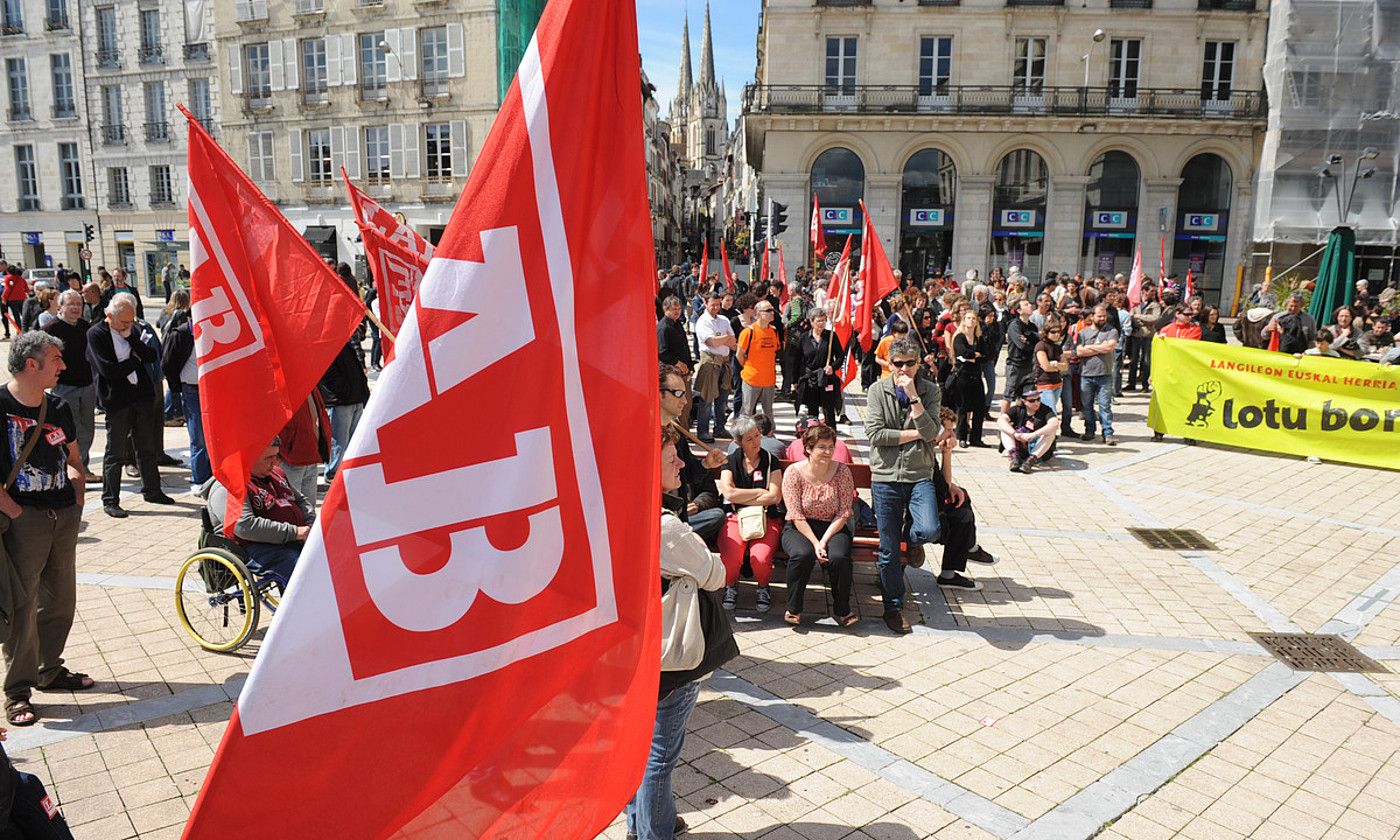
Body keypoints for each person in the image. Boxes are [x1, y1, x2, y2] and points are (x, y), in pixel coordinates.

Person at [627, 426, 734, 840]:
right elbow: (715, 574)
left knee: (637, 753)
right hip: (670, 656)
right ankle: (655, 834)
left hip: (635, 650)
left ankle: (640, 827)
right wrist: (702, 555)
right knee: (658, 759)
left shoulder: (620, 508)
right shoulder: (664, 526)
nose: (680, 463)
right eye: (672, 457)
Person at [0, 332, 92, 727]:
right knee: (22, 604)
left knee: (59, 599)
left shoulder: (59, 406)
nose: (63, 365)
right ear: (32, 364)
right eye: (55, 358)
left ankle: (48, 669)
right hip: (24, 520)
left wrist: (77, 484)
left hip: (63, 516)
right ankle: (17, 691)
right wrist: (16, 513)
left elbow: (72, 456)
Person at [864, 337, 943, 635]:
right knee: (888, 550)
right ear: (890, 364)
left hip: (918, 474)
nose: (905, 369)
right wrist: (913, 434)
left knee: (929, 529)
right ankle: (893, 607)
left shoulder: (930, 390)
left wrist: (913, 397)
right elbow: (875, 434)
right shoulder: (877, 390)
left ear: (918, 363)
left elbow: (932, 432)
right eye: (899, 364)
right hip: (885, 477)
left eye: (911, 363)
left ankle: (912, 543)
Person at [86, 293, 174, 517]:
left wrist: (132, 340)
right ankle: (110, 500)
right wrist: (135, 359)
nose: (128, 325)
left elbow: (152, 355)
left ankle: (153, 490)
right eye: (124, 322)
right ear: (109, 316)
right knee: (115, 453)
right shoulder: (96, 334)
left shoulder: (132, 331)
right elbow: (109, 371)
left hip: (141, 397)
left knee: (146, 448)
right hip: (117, 401)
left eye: (131, 321)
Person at [204, 438, 312, 588]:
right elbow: (245, 526)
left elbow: (301, 501)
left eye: (277, 456)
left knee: (328, 557)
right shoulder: (227, 487)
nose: (276, 462)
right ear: (249, 457)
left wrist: (310, 521)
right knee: (301, 567)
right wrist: (293, 532)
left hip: (290, 537)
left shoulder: (277, 474)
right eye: (269, 458)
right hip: (255, 547)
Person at [780, 422, 856, 627]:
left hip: (833, 526)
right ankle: (793, 608)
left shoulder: (842, 472)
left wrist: (824, 541)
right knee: (802, 554)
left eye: (831, 447)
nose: (828, 451)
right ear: (808, 448)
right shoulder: (793, 473)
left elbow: (844, 511)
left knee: (839, 557)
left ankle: (842, 610)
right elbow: (794, 513)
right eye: (822, 447)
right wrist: (815, 544)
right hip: (800, 527)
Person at [716, 416, 783, 613]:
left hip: (766, 517)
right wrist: (759, 493)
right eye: (749, 439)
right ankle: (731, 586)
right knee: (731, 557)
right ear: (738, 442)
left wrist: (742, 495)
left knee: (760, 558)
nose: (756, 442)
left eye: (757, 436)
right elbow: (728, 493)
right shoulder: (730, 461)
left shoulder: (771, 460)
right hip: (735, 517)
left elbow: (775, 497)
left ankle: (763, 587)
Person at [934, 406, 998, 590]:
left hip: (929, 503)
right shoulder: (922, 452)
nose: (952, 434)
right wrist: (947, 455)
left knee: (961, 496)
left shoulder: (928, 450)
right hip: (922, 516)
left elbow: (945, 485)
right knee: (962, 516)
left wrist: (947, 455)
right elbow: (942, 489)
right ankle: (968, 550)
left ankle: (963, 556)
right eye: (948, 430)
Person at [41, 292, 96, 477]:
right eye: (71, 304)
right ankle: (70, 469)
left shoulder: (85, 327)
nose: (75, 308)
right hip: (64, 387)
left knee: (87, 429)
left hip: (87, 385)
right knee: (70, 430)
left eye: (78, 304)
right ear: (60, 306)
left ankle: (83, 466)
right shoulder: (50, 329)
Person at [319, 338, 370, 482]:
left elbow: (358, 370)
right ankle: (332, 472)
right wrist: (345, 391)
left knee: (353, 440)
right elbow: (329, 374)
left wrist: (362, 393)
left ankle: (346, 470)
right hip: (341, 401)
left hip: (355, 399)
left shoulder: (348, 343)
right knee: (339, 441)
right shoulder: (328, 346)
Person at [692, 291, 735, 443]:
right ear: (706, 304)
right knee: (707, 398)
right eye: (713, 305)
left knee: (722, 399)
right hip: (710, 362)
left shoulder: (723, 319)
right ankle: (703, 431)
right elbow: (711, 342)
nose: (716, 307)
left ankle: (720, 428)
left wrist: (722, 339)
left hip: (724, 362)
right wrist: (725, 339)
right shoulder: (703, 321)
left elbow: (733, 341)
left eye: (718, 304)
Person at [1075, 304, 1120, 445]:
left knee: (1104, 405)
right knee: (1087, 405)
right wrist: (1100, 348)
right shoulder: (1083, 333)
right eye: (1099, 316)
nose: (1102, 318)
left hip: (1104, 374)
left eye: (1104, 316)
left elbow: (1109, 347)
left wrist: (1089, 348)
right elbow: (1079, 352)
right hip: (1086, 374)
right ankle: (1089, 431)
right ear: (1092, 316)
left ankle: (1108, 433)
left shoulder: (1111, 331)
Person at [794, 306, 843, 427]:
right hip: (810, 379)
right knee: (812, 411)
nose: (821, 324)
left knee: (828, 409)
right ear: (811, 321)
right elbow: (797, 360)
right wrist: (795, 381)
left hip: (826, 378)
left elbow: (840, 357)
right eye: (818, 321)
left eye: (823, 320)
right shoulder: (804, 338)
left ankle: (832, 436)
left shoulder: (831, 336)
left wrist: (833, 367)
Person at [948, 309, 986, 447]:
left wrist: (973, 356)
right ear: (964, 321)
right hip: (963, 376)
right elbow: (962, 353)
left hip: (976, 376)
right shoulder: (959, 337)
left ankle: (976, 438)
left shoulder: (979, 338)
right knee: (963, 408)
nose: (971, 321)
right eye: (968, 318)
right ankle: (962, 437)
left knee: (980, 408)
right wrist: (974, 355)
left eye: (973, 318)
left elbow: (986, 354)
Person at [736, 298, 779, 419]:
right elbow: (739, 355)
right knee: (747, 411)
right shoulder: (748, 332)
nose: (772, 312)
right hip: (752, 379)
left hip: (769, 380)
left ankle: (769, 434)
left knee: (768, 412)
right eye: (768, 310)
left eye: (772, 310)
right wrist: (749, 368)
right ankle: (743, 435)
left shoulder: (774, 331)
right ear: (759, 314)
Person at [998, 387, 1058, 473]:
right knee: (1004, 429)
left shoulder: (1045, 410)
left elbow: (1055, 423)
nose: (1036, 403)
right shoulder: (1017, 409)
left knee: (1051, 432)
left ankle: (1030, 461)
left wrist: (1034, 434)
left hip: (1038, 448)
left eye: (1038, 399)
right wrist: (1015, 434)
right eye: (1032, 401)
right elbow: (1001, 420)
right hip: (1020, 445)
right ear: (1024, 401)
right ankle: (1014, 458)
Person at [1001, 299, 1038, 416]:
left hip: (1029, 364)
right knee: (1009, 395)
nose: (1030, 305)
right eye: (1026, 305)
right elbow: (1021, 345)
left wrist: (1029, 341)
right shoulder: (1014, 325)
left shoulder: (1032, 326)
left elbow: (1037, 343)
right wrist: (1029, 342)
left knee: (1025, 395)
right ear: (1019, 310)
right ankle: (1003, 421)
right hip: (1015, 365)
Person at [1032, 319, 1069, 416]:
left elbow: (1065, 367)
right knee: (1051, 413)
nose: (1056, 334)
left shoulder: (1057, 347)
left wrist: (1055, 364)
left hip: (1057, 384)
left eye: (1058, 332)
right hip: (1044, 384)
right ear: (1046, 332)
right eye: (1053, 332)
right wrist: (1057, 366)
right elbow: (1046, 367)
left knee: (1049, 413)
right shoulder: (1041, 346)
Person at [1127, 293, 1163, 390]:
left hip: (1148, 334)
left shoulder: (1155, 305)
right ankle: (1131, 383)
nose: (1150, 294)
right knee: (1134, 360)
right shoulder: (1136, 304)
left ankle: (1145, 384)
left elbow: (1155, 318)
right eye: (1148, 291)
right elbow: (1131, 316)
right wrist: (1141, 320)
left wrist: (1140, 316)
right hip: (1136, 334)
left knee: (1146, 360)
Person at [656, 296, 692, 378]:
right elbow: (662, 352)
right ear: (666, 309)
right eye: (674, 309)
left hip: (683, 371)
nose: (678, 311)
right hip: (672, 373)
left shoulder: (677, 322)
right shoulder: (663, 328)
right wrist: (679, 364)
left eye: (679, 308)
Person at [0, 268, 26, 339]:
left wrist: (3, 298)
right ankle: (21, 331)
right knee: (22, 315)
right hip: (21, 298)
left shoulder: (7, 277)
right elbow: (26, 288)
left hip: (11, 299)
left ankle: (18, 331)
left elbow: (7, 289)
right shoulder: (20, 278)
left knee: (15, 316)